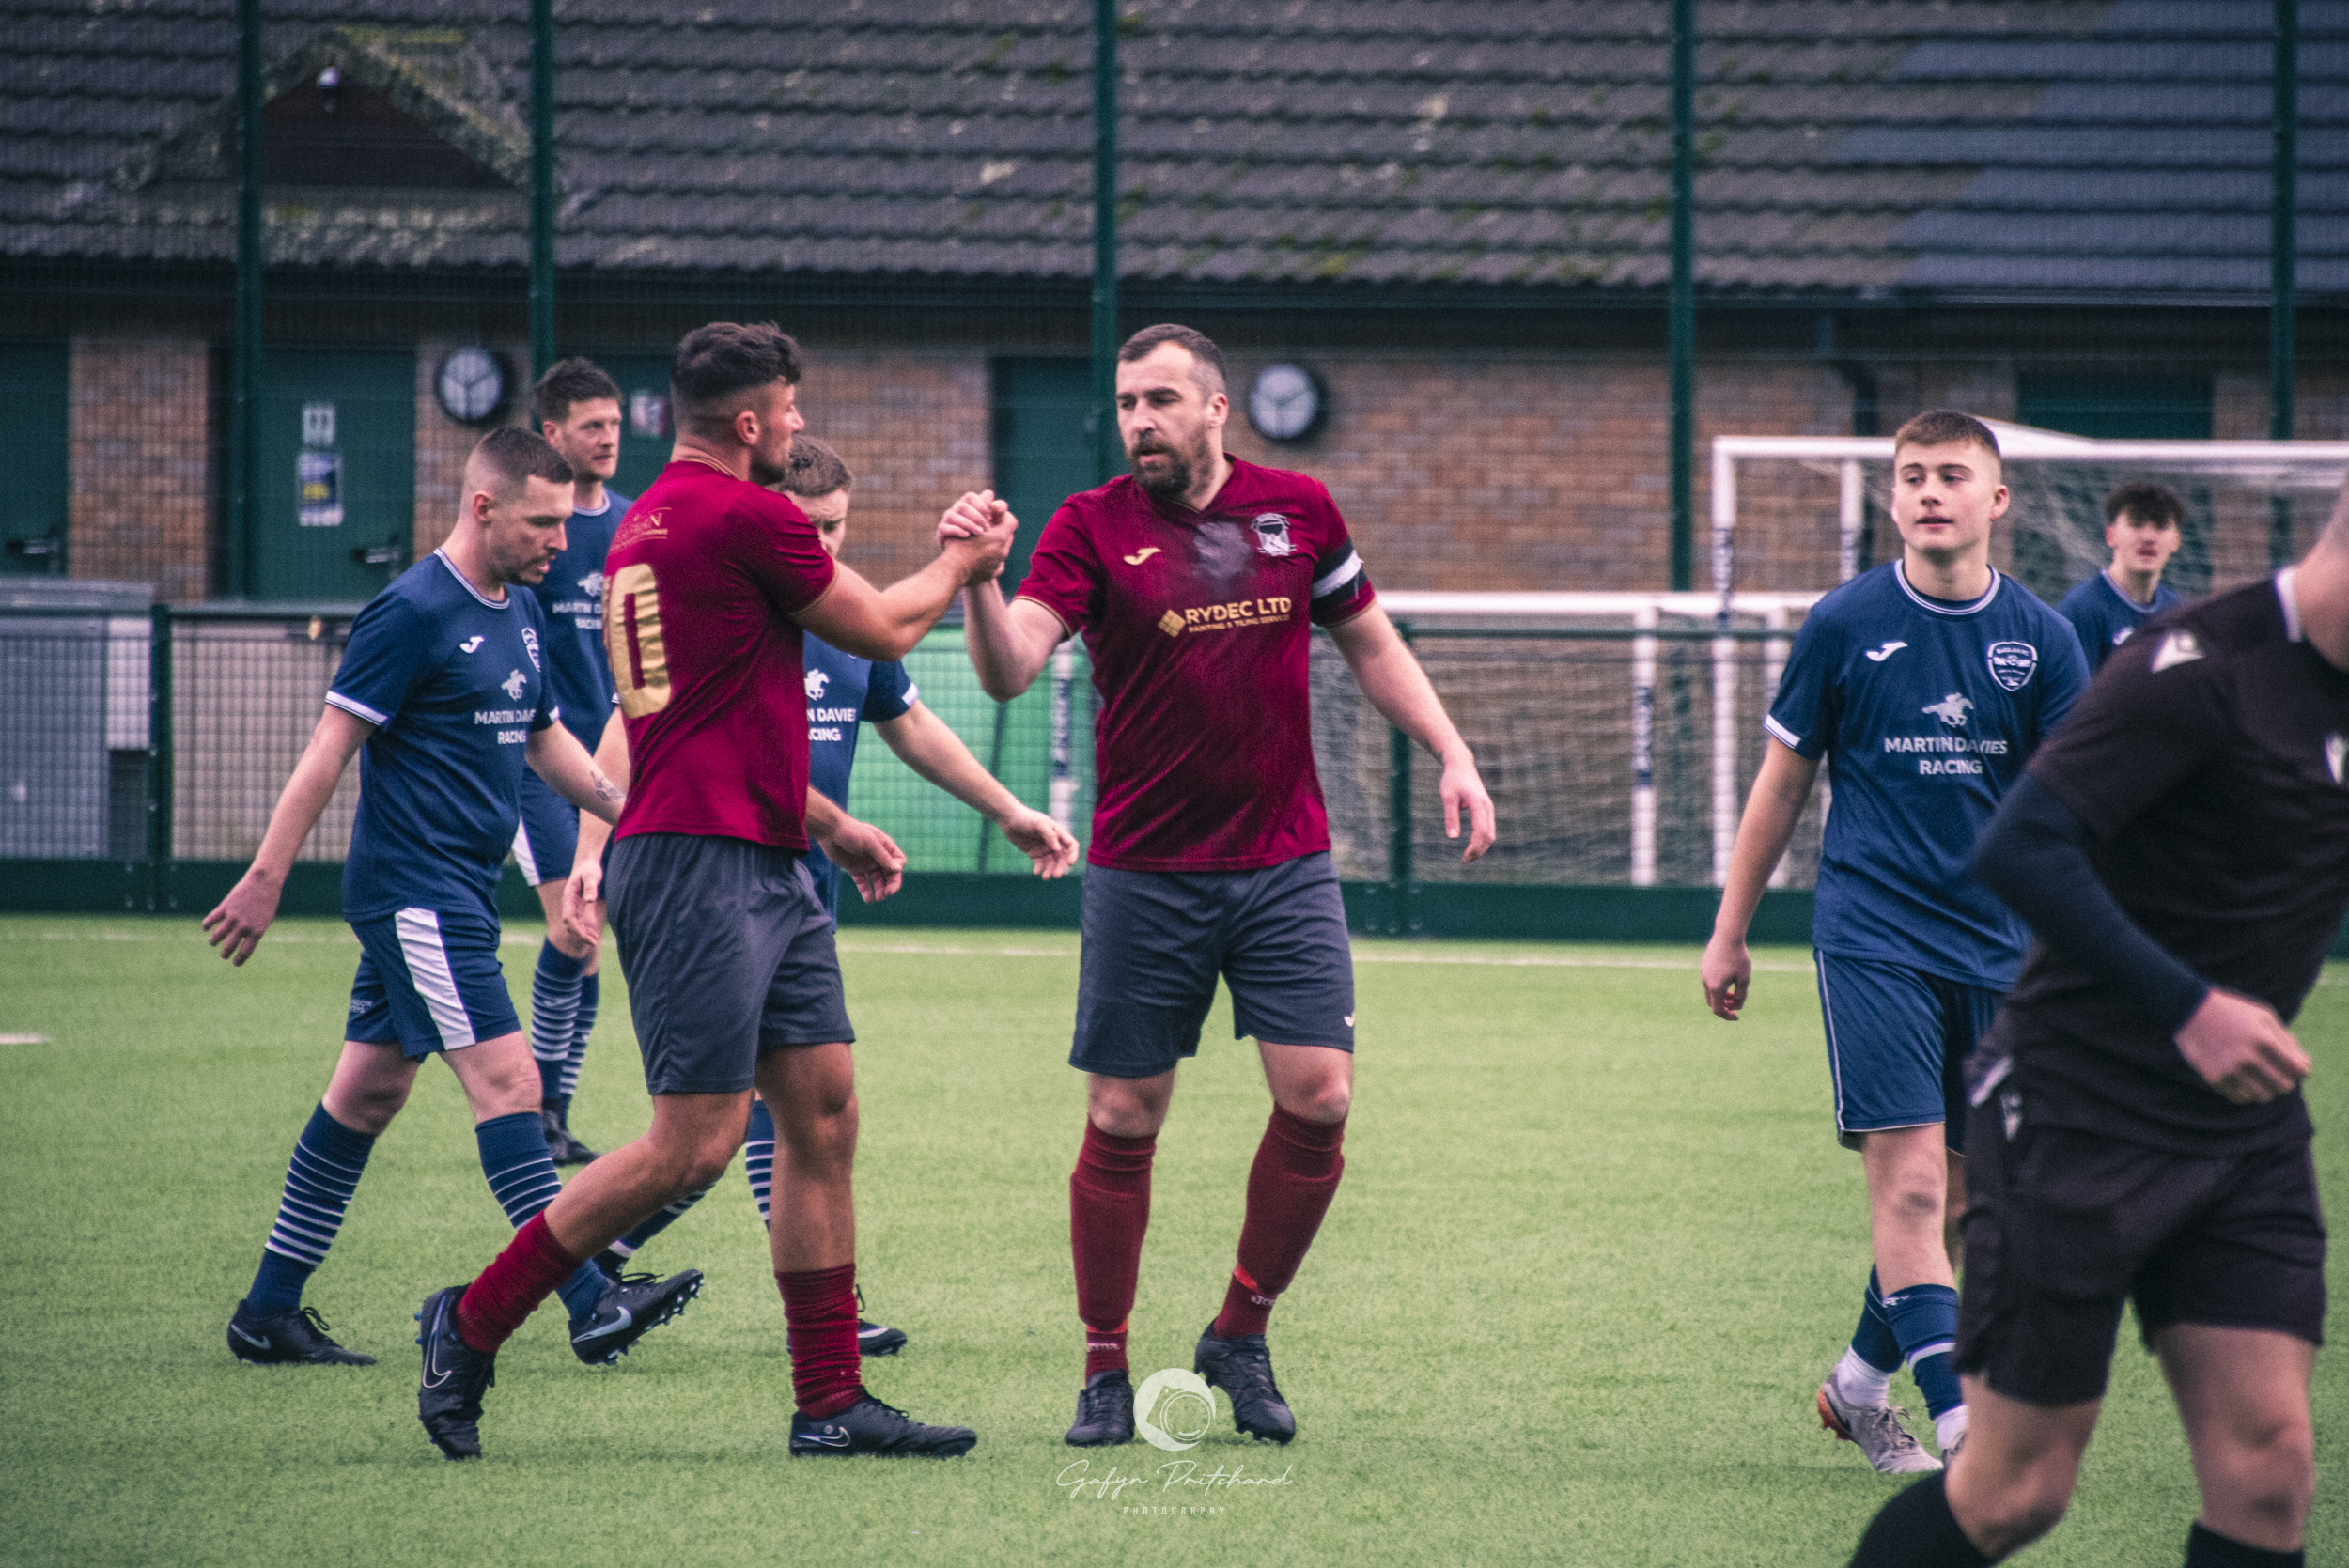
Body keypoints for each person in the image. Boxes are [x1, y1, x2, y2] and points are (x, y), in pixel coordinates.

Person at [414, 322, 1015, 1461]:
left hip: (761, 851)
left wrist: (822, 828)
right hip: (698, 861)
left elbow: (719, 701)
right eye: (788, 411)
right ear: (749, 422)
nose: (796, 427)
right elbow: (885, 626)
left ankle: (829, 1402)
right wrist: (963, 561)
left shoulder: (644, 517)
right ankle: (472, 1318)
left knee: (823, 1111)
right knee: (689, 1145)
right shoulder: (745, 514)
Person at [952, 323, 1497, 1449]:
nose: (1138, 420)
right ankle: (1103, 1365)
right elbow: (1010, 669)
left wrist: (1453, 749)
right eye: (1124, 403)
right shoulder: (1088, 525)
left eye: (1159, 399)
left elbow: (1370, 640)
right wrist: (979, 580)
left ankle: (1238, 1333)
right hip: (1146, 870)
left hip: (1283, 862)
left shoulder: (1297, 508)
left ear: (1216, 408)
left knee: (1323, 1097)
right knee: (1122, 1115)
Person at [1846, 486, 2349, 1568]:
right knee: (2016, 1487)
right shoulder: (2200, 666)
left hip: (2239, 1133)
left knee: (2268, 1470)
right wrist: (2188, 1008)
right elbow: (2019, 845)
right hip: (2077, 1109)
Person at [208, 428, 700, 1372]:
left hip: (458, 891)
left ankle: (266, 1310)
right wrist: (266, 877)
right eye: (543, 521)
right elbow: (327, 751)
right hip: (416, 893)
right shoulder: (410, 611)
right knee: (511, 1086)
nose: (562, 541)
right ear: (484, 508)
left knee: (367, 1093)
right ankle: (591, 1299)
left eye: (565, 522)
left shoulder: (517, 608)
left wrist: (631, 811)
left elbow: (544, 739)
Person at [589, 434, 1081, 1359]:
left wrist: (1010, 809)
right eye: (808, 528)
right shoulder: (739, 607)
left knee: (788, 1112)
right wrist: (587, 848)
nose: (821, 546)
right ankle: (549, 1282)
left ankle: (641, 1279)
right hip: (714, 880)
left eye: (836, 530)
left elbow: (912, 723)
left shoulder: (848, 619)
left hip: (796, 892)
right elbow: (639, 731)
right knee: (725, 1121)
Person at [1702, 411, 2089, 1473]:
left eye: (1952, 476)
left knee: (1971, 1205)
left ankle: (1856, 1384)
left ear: (1995, 501)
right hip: (1872, 936)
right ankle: (1962, 1427)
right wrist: (1730, 931)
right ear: (1892, 499)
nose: (1929, 492)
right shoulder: (1842, 623)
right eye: (1911, 476)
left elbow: (2070, 810)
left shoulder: (2045, 643)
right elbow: (1783, 781)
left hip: (2001, 949)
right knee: (1913, 1191)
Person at [515, 358, 631, 1165]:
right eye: (592, 426)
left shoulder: (637, 522)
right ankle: (540, 1107)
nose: (607, 439)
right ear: (551, 433)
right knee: (575, 931)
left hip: (621, 765)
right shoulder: (536, 531)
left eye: (616, 425)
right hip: (543, 767)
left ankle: (553, 1105)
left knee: (589, 940)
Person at [2054, 479, 2186, 674]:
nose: (2148, 537)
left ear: (2176, 541)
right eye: (2137, 523)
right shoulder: (2082, 609)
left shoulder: (2176, 610)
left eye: (2160, 526)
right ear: (2110, 535)